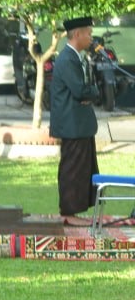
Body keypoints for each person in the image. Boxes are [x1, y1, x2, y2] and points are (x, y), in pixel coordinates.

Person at [50, 16, 101, 225]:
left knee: (84, 169)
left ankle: (74, 211)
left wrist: (89, 93)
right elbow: (80, 90)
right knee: (72, 169)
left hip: (80, 125)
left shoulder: (76, 57)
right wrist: (94, 91)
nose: (91, 37)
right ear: (77, 34)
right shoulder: (67, 59)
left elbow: (83, 90)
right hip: (72, 125)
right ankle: (68, 214)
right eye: (88, 33)